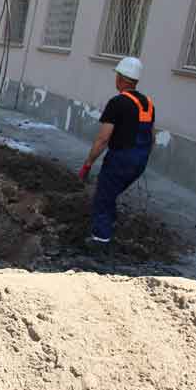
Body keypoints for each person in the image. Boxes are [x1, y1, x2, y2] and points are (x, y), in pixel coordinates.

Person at [78, 57, 155, 250]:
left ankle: (100, 241)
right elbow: (152, 137)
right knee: (110, 193)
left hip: (120, 159)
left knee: (103, 197)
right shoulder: (148, 104)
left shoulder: (117, 103)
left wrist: (88, 163)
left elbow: (103, 139)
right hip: (140, 160)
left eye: (117, 76)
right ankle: (109, 225)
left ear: (120, 78)